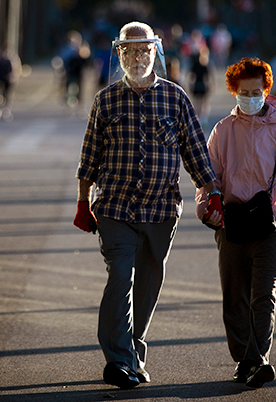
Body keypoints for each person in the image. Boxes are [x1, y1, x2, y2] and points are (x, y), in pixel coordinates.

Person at [73, 21, 220, 390]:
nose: (137, 57)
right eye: (130, 51)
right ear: (119, 53)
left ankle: (134, 352)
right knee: (121, 276)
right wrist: (82, 201)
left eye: (144, 50)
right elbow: (89, 157)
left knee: (148, 283)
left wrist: (212, 192)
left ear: (155, 52)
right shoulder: (105, 101)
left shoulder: (176, 98)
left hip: (160, 210)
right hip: (114, 209)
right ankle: (120, 361)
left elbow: (196, 153)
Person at [196, 57, 276, 389]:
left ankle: (258, 360)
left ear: (266, 90)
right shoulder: (222, 130)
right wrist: (206, 208)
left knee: (264, 294)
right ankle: (244, 359)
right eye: (244, 91)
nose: (250, 97)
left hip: (274, 221)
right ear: (234, 92)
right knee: (235, 296)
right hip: (232, 222)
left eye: (256, 91)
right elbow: (208, 176)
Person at [0, 48, 22, 119]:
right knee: (1, 95)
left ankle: (2, 109)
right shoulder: (3, 61)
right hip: (2, 80)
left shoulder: (6, 61)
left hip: (5, 80)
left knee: (4, 94)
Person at [188, 47, 216, 126]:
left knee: (198, 103)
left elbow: (190, 76)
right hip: (202, 85)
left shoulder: (195, 65)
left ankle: (199, 118)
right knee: (203, 103)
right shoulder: (205, 65)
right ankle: (203, 118)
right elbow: (210, 77)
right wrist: (211, 86)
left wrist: (190, 85)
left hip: (197, 85)